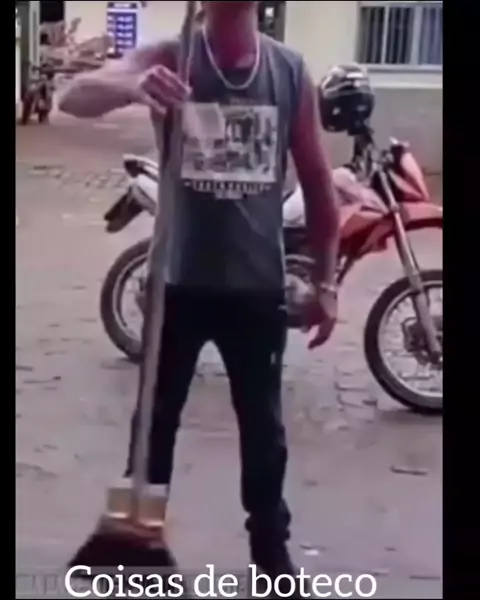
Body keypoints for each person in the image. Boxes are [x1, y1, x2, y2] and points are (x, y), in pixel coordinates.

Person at [59, 0, 340, 591]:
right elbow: (75, 97)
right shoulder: (172, 55)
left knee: (263, 433)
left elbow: (318, 182)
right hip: (177, 287)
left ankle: (270, 558)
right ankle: (136, 544)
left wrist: (326, 281)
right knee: (153, 425)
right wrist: (134, 86)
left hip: (256, 289)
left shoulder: (288, 71)